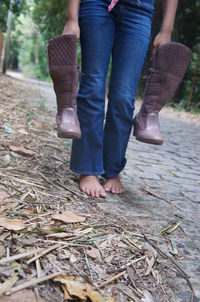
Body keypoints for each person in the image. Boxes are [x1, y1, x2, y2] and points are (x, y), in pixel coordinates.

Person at [61, 0, 179, 198]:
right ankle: (88, 169)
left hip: (140, 10)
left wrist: (166, 30)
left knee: (123, 96)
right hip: (96, 5)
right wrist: (71, 17)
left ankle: (112, 169)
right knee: (93, 87)